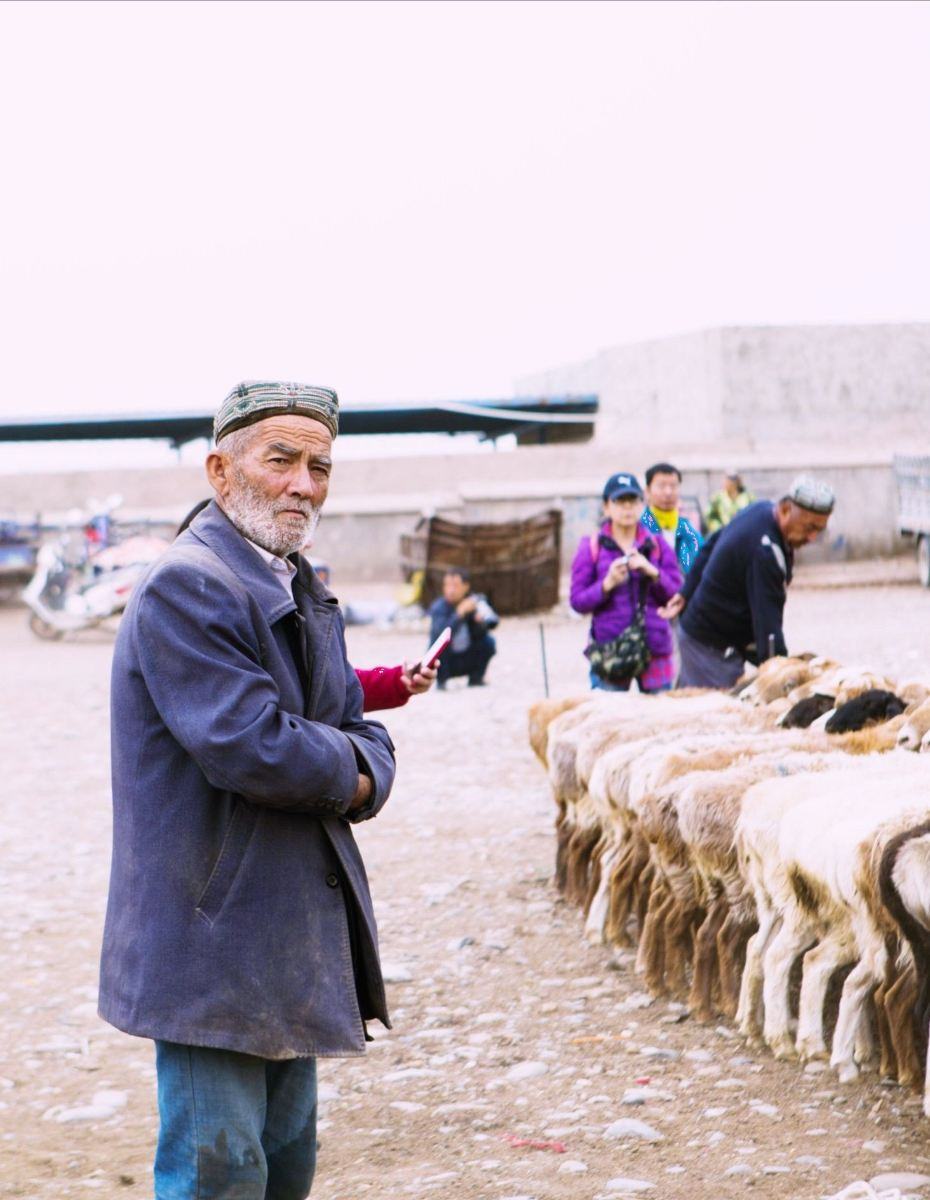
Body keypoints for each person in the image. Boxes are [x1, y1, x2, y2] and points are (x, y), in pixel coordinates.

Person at [99, 381, 397, 1200]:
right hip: (212, 933)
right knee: (219, 1173)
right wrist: (362, 772)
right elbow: (254, 747)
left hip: (282, 926)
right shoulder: (188, 586)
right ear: (220, 471)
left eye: (320, 466)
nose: (304, 484)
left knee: (284, 1162)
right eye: (282, 460)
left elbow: (354, 724)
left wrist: (358, 760)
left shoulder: (298, 585)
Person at [176, 497, 435, 712]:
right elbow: (245, 728)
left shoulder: (288, 601)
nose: (305, 546)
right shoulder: (197, 609)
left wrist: (397, 679)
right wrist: (353, 764)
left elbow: (330, 684)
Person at [661, 474, 835, 689]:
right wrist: (780, 675)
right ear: (785, 510)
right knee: (715, 713)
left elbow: (711, 543)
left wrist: (686, 592)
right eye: (809, 528)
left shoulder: (760, 509)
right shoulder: (765, 552)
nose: (812, 537)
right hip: (710, 646)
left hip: (704, 634)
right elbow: (768, 625)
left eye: (819, 530)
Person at [570, 471, 682, 692]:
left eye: (633, 501)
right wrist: (606, 584)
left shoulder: (657, 545)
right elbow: (577, 602)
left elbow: (677, 593)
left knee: (660, 720)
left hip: (655, 646)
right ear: (606, 507)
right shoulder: (591, 547)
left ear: (642, 505)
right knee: (607, 720)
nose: (627, 508)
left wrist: (652, 571)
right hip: (611, 648)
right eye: (619, 501)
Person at [427, 567, 498, 688]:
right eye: (447, 585)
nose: (451, 590)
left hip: (466, 657)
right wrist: (459, 614)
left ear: (466, 586)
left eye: (455, 586)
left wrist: (480, 622)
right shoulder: (438, 607)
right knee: (438, 647)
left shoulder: (474, 602)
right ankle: (441, 681)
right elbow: (440, 633)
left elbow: (492, 623)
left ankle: (476, 678)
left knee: (489, 642)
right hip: (445, 662)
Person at [639, 461, 703, 574]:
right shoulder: (639, 528)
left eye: (673, 486)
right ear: (647, 491)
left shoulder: (688, 530)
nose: (668, 492)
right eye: (661, 486)